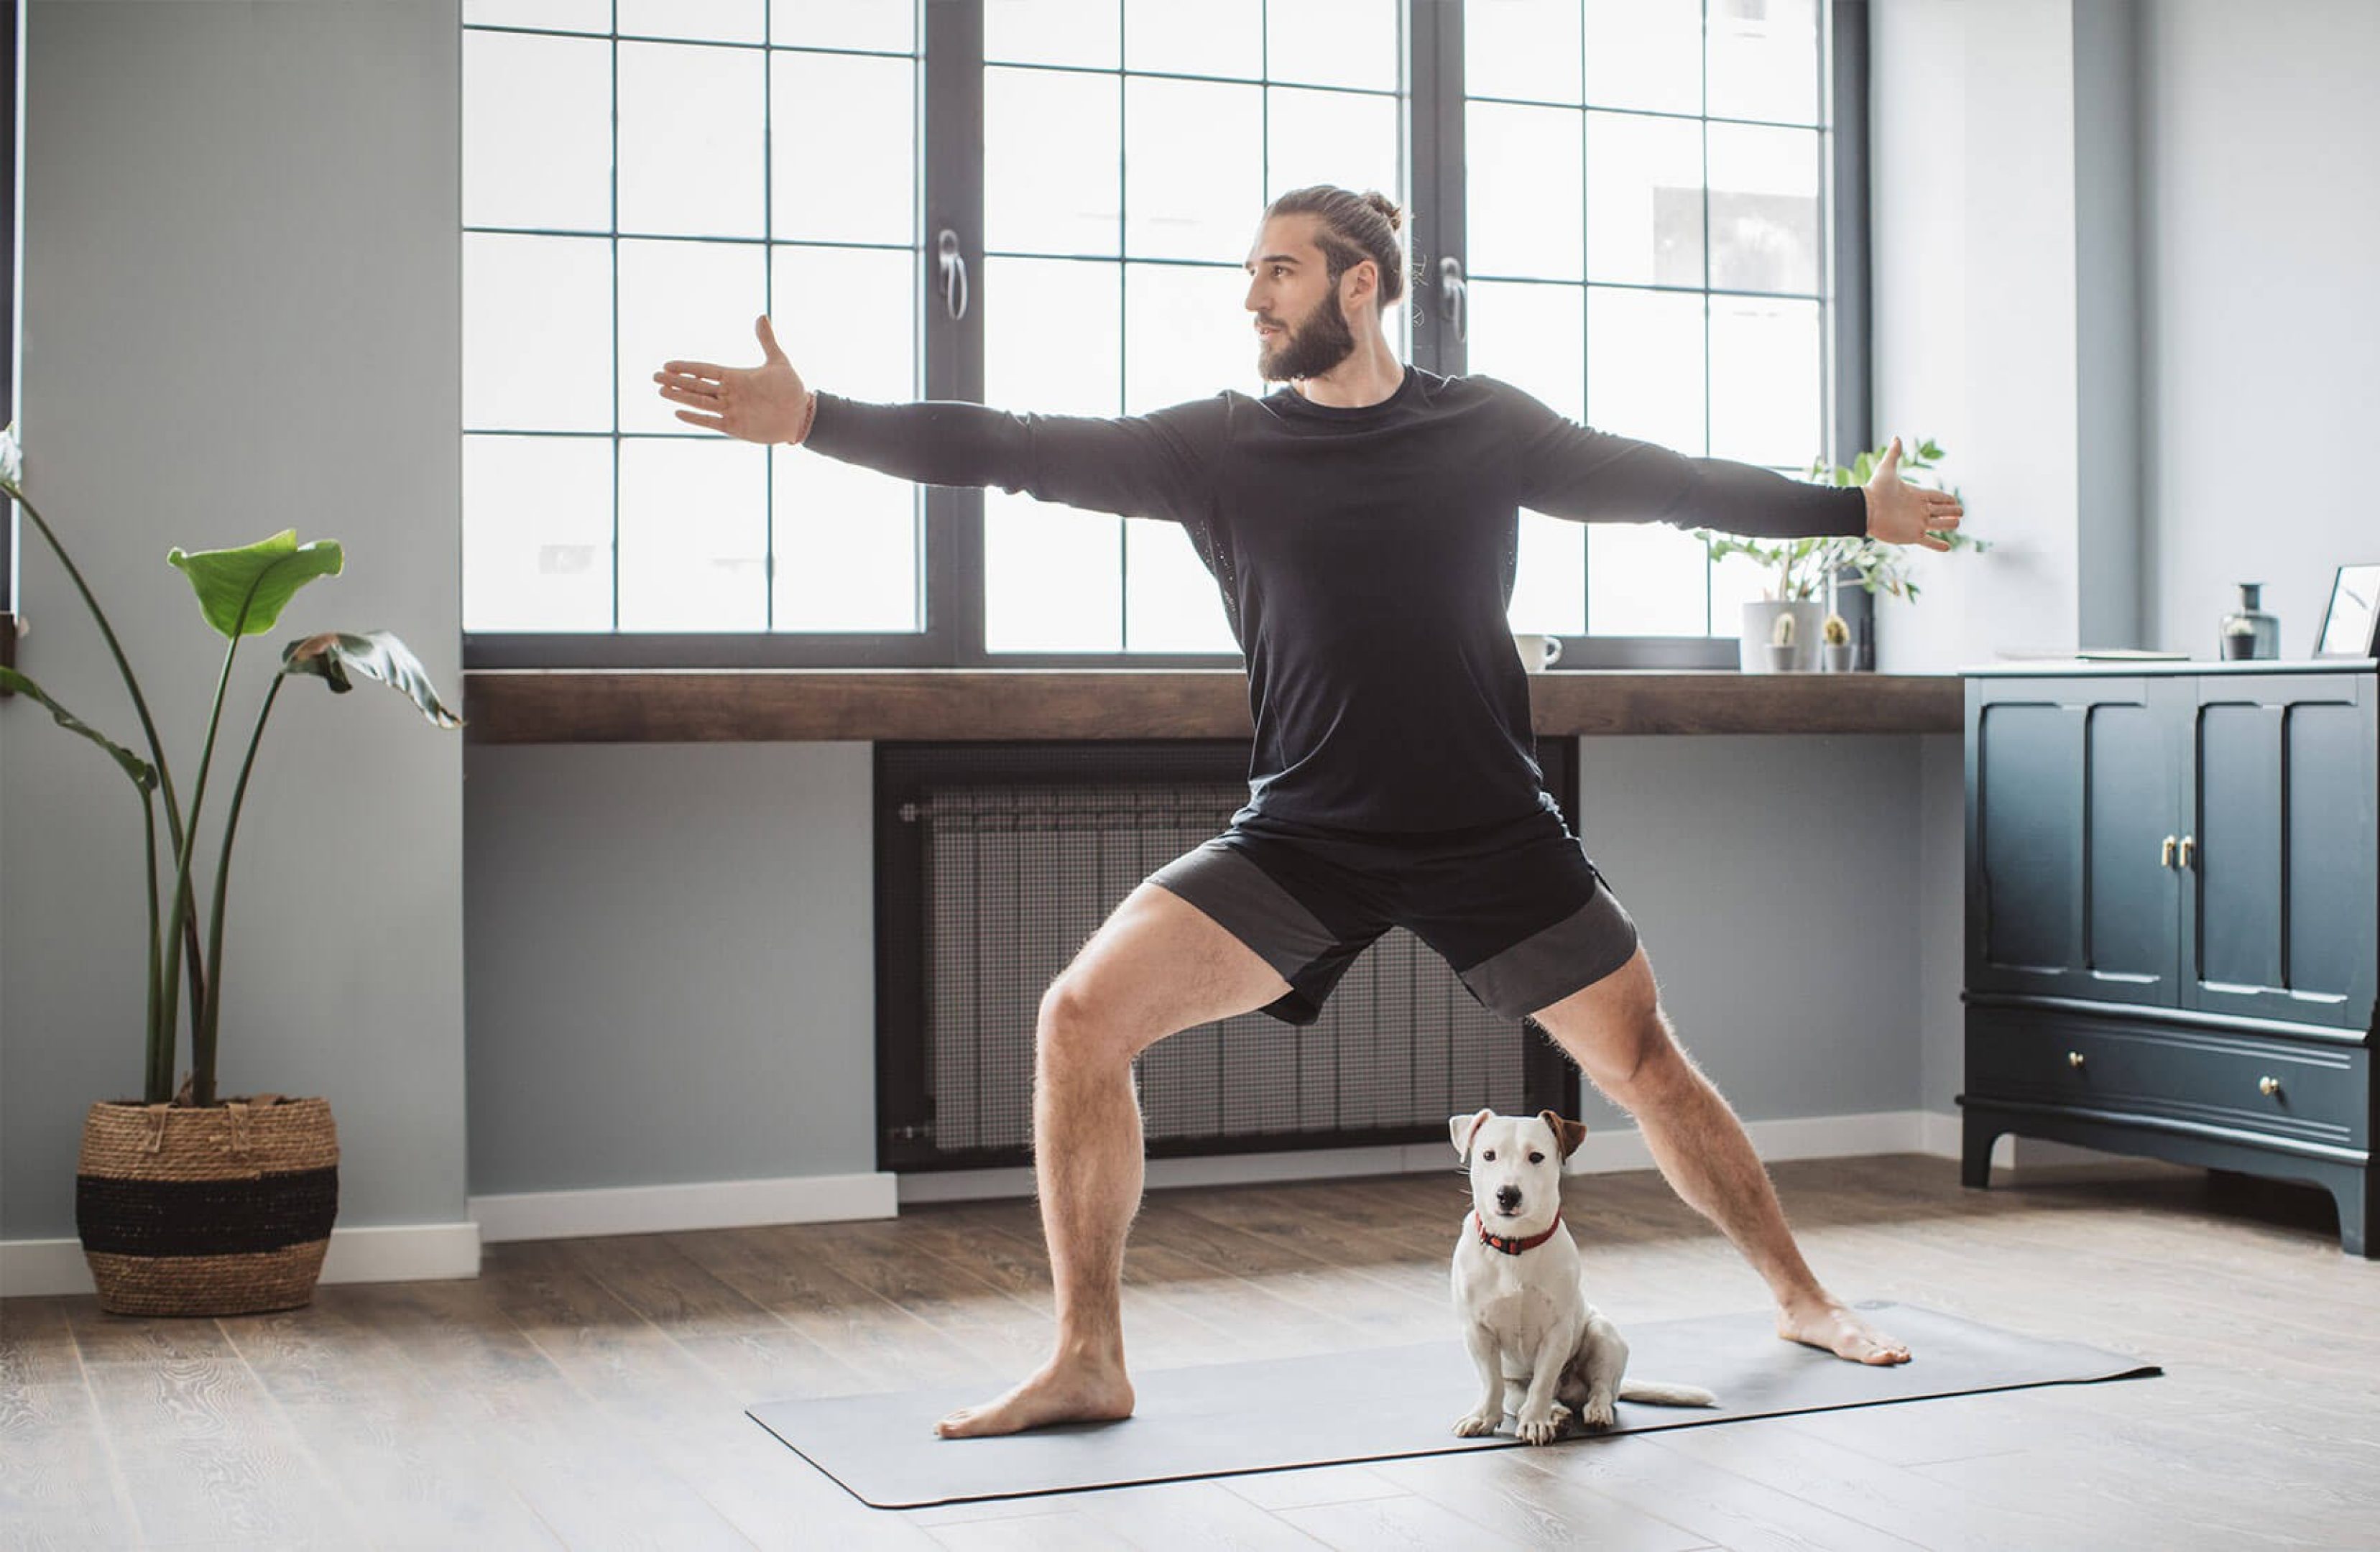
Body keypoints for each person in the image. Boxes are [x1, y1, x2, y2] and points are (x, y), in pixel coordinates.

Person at [653, 185, 1965, 1440]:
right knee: (1080, 1020)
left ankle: (1802, 1297)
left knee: (1646, 1067)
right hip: (1306, 835)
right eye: (1249, 277)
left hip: (1489, 829)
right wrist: (819, 417)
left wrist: (1858, 509)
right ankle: (1088, 1357)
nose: (1252, 301)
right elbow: (1015, 448)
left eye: (1275, 272)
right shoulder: (1219, 446)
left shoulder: (1482, 427)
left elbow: (1666, 484)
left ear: (1361, 284)